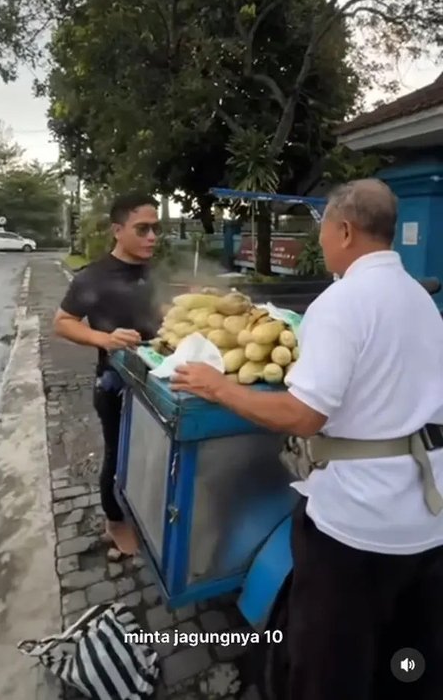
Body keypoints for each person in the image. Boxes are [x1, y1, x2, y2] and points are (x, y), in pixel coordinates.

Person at [171, 179, 443, 699]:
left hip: (358, 526)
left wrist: (219, 387)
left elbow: (302, 415)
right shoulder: (419, 299)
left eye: (322, 231)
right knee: (408, 661)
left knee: (329, 670)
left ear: (343, 230)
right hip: (427, 521)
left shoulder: (341, 303)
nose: (320, 242)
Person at [54, 192, 161, 555]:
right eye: (142, 229)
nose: (151, 238)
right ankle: (114, 523)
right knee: (118, 456)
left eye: (155, 230)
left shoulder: (154, 272)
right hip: (115, 386)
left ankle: (142, 513)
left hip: (159, 385)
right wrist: (105, 338)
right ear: (118, 230)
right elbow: (63, 323)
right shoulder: (93, 277)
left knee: (151, 458)